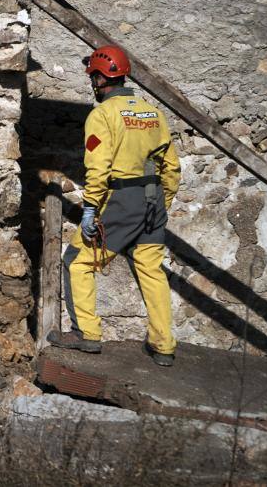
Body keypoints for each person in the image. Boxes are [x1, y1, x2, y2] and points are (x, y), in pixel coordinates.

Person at [47, 45, 181, 367]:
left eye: (93, 77)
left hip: (119, 201)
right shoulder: (153, 112)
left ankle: (88, 335)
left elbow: (98, 168)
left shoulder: (103, 115)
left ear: (100, 77)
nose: (92, 83)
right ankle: (164, 346)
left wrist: (91, 208)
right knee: (151, 270)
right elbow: (171, 167)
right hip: (153, 202)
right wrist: (164, 202)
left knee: (77, 261)